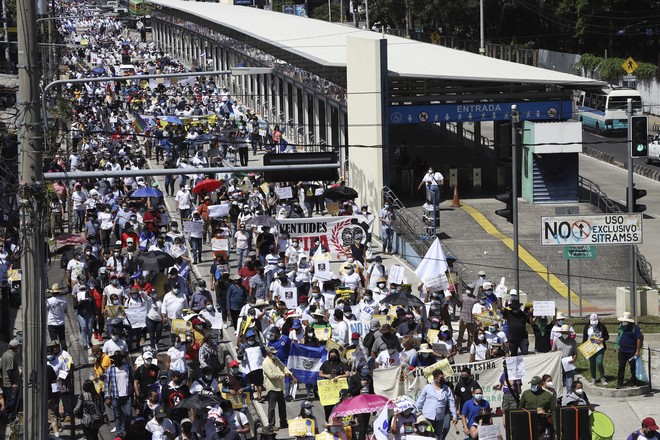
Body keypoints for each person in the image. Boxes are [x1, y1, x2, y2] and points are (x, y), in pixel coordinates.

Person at [416, 370, 458, 440]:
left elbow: (451, 402)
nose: (442, 379)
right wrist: (417, 411)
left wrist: (454, 415)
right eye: (440, 378)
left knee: (437, 436)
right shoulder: (427, 388)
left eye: (443, 378)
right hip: (428, 417)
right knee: (427, 437)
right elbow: (420, 400)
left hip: (439, 418)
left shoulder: (447, 389)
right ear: (435, 379)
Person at [263, 346, 297, 431]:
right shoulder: (266, 363)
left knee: (282, 406)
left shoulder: (276, 360)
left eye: (275, 353)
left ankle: (283, 422)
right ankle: (271, 424)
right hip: (272, 388)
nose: (274, 354)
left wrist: (291, 375)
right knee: (272, 407)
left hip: (279, 387)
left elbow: (283, 367)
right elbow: (271, 375)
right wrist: (283, 375)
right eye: (273, 353)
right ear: (268, 353)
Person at [104, 352, 133, 434]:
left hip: (127, 396)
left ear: (121, 358)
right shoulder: (110, 369)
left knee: (128, 414)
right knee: (117, 416)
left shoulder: (127, 367)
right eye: (115, 358)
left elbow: (132, 379)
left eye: (119, 358)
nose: (117, 360)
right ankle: (118, 433)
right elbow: (107, 384)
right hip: (115, 397)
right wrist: (107, 396)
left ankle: (127, 430)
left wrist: (134, 394)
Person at [615, 311, 643, 389]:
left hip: (631, 351)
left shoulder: (635, 328)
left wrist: (637, 350)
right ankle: (619, 383)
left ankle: (634, 381)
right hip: (622, 351)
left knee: (633, 367)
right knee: (621, 366)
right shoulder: (621, 326)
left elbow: (638, 339)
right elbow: (619, 336)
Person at [582, 313, 609, 386]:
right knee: (592, 363)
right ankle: (593, 378)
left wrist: (602, 339)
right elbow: (584, 338)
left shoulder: (602, 326)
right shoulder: (587, 327)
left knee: (599, 362)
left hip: (600, 347)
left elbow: (607, 336)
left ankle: (602, 378)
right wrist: (584, 351)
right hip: (590, 347)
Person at [552, 324, 578, 390]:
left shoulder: (573, 342)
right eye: (563, 332)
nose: (564, 334)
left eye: (566, 332)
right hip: (559, 364)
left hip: (569, 363)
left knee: (569, 384)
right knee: (559, 384)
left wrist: (574, 360)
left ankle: (569, 396)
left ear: (569, 333)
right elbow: (552, 352)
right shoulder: (557, 340)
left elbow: (575, 353)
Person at [1, 339, 21, 421]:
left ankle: (7, 415)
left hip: (6, 381)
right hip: (10, 383)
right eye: (18, 346)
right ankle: (9, 416)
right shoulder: (10, 356)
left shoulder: (5, 354)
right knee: (12, 401)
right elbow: (9, 370)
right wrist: (13, 383)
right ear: (15, 347)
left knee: (10, 400)